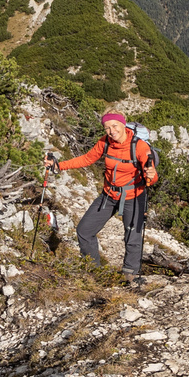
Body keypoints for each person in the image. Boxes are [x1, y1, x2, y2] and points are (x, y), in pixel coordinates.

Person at [47, 111, 158, 280]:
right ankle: (94, 272)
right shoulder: (105, 142)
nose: (112, 131)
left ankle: (130, 276)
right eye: (107, 128)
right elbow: (86, 159)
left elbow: (152, 176)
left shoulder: (140, 146)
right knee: (84, 230)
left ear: (123, 124)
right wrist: (59, 166)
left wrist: (152, 175)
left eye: (114, 126)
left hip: (134, 196)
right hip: (109, 195)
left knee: (132, 236)